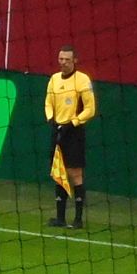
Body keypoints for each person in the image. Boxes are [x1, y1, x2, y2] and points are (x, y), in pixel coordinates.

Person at [43, 47, 97, 228]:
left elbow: (90, 109)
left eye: (67, 59)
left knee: (75, 174)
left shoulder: (82, 80)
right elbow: (48, 103)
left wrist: (72, 122)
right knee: (58, 172)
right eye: (60, 59)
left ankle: (78, 219)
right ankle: (60, 218)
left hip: (74, 131)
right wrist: (51, 119)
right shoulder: (54, 79)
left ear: (75, 61)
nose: (63, 62)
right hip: (57, 129)